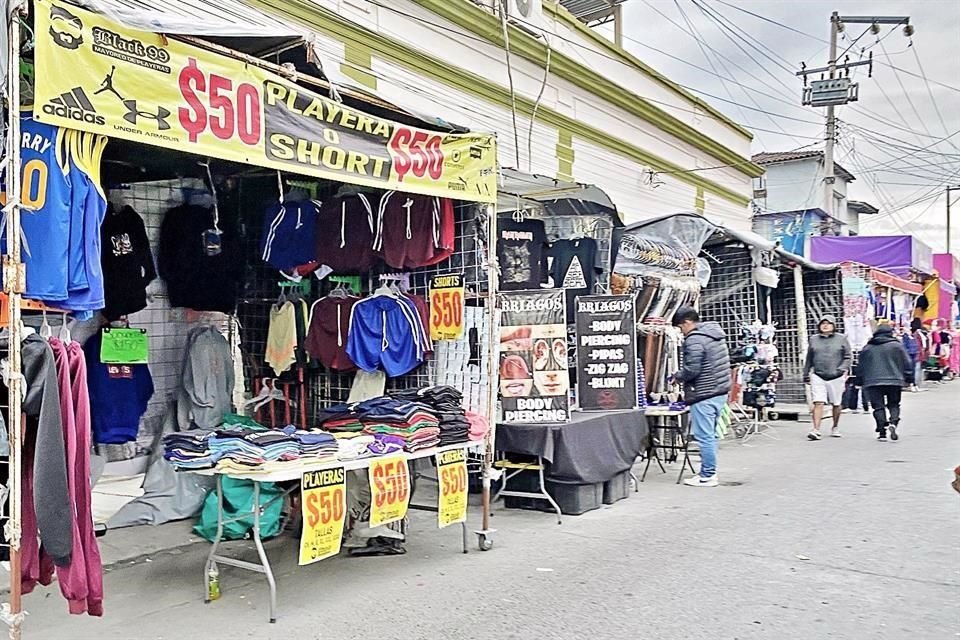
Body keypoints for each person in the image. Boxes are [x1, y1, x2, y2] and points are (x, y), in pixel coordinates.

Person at [671, 307, 731, 488]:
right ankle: (708, 472)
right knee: (710, 435)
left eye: (681, 327)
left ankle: (707, 475)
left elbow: (692, 369)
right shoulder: (714, 334)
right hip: (719, 391)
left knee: (704, 436)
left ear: (688, 322)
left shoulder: (695, 339)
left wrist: (677, 376)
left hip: (704, 392)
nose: (681, 331)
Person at [859, 323, 914, 441]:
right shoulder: (897, 346)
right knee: (894, 404)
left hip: (873, 381)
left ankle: (882, 431)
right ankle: (893, 422)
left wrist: (859, 380)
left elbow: (861, 366)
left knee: (878, 407)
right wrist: (909, 378)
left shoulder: (868, 347)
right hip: (894, 380)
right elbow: (907, 363)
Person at [803, 315, 852, 440]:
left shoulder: (841, 339)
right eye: (823, 323)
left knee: (836, 403)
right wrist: (806, 373)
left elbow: (848, 356)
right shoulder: (814, 339)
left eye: (829, 323)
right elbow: (809, 358)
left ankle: (835, 426)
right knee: (818, 401)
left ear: (834, 326)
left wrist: (841, 369)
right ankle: (816, 429)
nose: (825, 325)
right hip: (818, 374)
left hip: (836, 375)